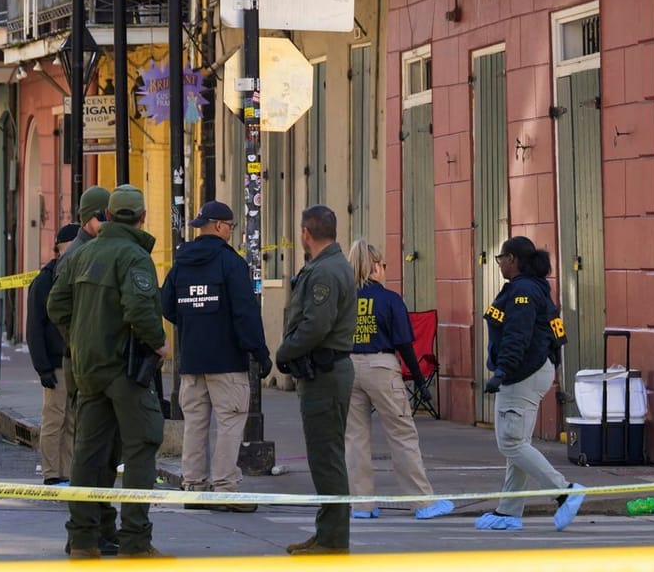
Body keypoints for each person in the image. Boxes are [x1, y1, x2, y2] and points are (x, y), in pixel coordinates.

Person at [47, 184, 167, 559]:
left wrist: (80, 338)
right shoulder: (134, 256)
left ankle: (82, 539)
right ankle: (135, 540)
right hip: (124, 369)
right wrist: (159, 343)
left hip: (88, 369)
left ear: (109, 216)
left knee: (86, 452)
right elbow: (140, 310)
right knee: (141, 447)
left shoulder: (81, 255)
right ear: (142, 217)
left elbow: (56, 304)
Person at [160, 199, 268, 510]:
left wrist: (191, 322)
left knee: (195, 423)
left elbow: (166, 304)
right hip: (226, 361)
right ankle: (225, 488)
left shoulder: (181, 262)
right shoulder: (230, 263)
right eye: (231, 227)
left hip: (192, 360)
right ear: (219, 226)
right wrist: (259, 353)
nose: (232, 232)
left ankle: (194, 486)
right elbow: (245, 314)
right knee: (231, 422)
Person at [477, 235, 585, 534]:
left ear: (512, 259)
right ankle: (509, 510)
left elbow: (517, 335)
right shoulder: (535, 288)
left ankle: (565, 491)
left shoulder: (523, 291)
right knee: (518, 444)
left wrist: (502, 371)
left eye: (501, 259)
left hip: (522, 373)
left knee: (510, 442)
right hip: (533, 370)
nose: (499, 264)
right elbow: (555, 332)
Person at [344, 240, 452, 520]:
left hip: (347, 366)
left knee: (355, 438)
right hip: (381, 364)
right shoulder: (389, 299)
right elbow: (405, 344)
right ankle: (422, 502)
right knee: (402, 434)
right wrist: (418, 380)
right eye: (384, 265)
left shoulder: (343, 298)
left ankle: (361, 504)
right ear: (375, 266)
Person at [274, 204, 354, 556]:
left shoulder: (325, 272)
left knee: (326, 456)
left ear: (306, 233)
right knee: (324, 455)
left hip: (325, 374)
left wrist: (285, 351)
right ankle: (327, 531)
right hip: (323, 372)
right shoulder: (328, 266)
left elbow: (315, 326)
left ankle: (333, 538)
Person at [29, 222, 80, 486]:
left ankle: (68, 473)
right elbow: (35, 327)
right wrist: (43, 368)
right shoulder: (45, 280)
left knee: (71, 420)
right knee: (54, 419)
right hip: (55, 362)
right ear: (60, 248)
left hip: (73, 360)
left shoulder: (74, 273)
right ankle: (51, 473)